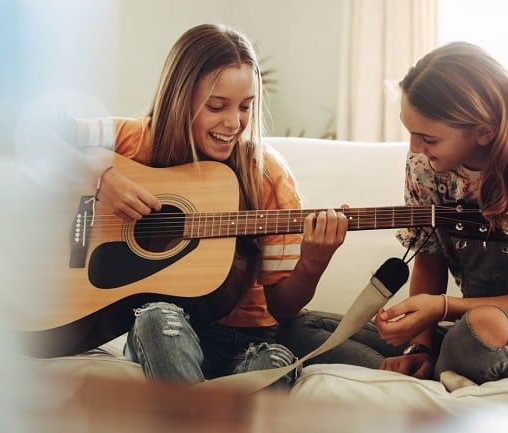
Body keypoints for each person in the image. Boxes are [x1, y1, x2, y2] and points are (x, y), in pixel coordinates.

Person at [277, 41, 508, 385]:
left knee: (480, 328)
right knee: (305, 327)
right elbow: (429, 258)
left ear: (484, 130)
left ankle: (440, 366)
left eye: (428, 138)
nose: (414, 149)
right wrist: (419, 346)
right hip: (462, 326)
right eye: (410, 133)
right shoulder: (426, 166)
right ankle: (425, 371)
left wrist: (442, 308)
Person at [66, 23, 348, 386]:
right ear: (180, 97)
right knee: (155, 319)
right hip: (165, 326)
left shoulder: (267, 177)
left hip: (252, 341)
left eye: (246, 107)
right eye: (217, 106)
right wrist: (100, 177)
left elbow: (283, 307)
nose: (234, 123)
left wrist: (313, 261)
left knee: (276, 363)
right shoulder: (138, 141)